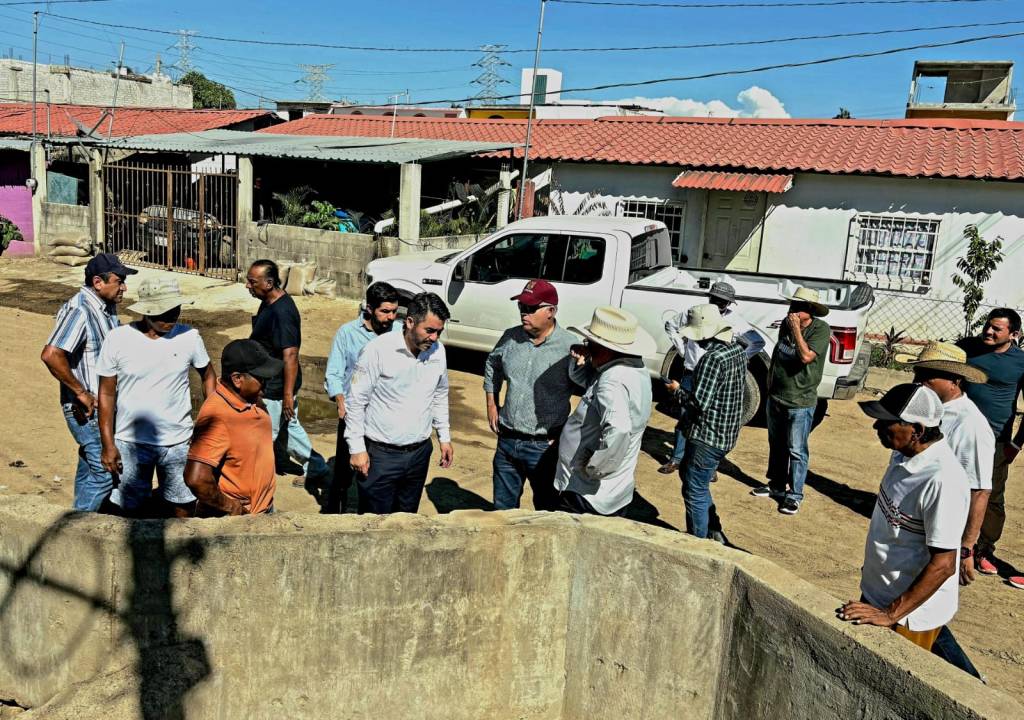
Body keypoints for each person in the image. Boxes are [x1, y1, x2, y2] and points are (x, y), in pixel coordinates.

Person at [838, 384, 970, 654]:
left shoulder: (943, 481)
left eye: (886, 422)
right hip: (879, 594)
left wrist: (891, 613)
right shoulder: (901, 454)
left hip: (908, 614)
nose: (876, 426)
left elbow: (944, 565)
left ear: (917, 431)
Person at [896, 341, 992, 680]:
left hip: (939, 533)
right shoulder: (923, 407)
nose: (920, 381)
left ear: (954, 381)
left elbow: (980, 490)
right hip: (912, 528)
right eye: (918, 373)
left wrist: (966, 548)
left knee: (920, 610)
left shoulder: (970, 425)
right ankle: (970, 683)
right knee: (921, 611)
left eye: (928, 375)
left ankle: (970, 684)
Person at [96, 277, 216, 516]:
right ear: (147, 311)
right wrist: (108, 444)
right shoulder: (118, 339)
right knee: (130, 508)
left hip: (179, 442)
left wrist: (209, 420)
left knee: (182, 505)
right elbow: (106, 394)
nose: (172, 318)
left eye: (175, 310)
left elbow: (209, 376)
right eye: (164, 313)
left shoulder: (190, 337)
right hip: (130, 442)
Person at [41, 254, 138, 512]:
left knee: (90, 467)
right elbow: (51, 354)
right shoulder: (80, 310)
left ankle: (80, 515)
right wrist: (81, 392)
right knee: (105, 473)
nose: (124, 288)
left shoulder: (105, 306)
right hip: (88, 409)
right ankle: (80, 528)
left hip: (101, 406)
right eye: (119, 281)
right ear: (98, 282)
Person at [345, 292, 454, 514]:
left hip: (419, 455)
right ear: (410, 322)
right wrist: (356, 448)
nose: (434, 338)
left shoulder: (438, 352)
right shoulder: (378, 350)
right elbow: (356, 401)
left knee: (406, 521)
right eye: (429, 330)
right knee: (375, 523)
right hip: (381, 457)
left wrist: (444, 437)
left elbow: (440, 393)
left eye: (439, 332)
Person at [484, 279, 578, 511]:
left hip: (544, 448)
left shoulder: (570, 348)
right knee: (502, 512)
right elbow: (492, 365)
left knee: (546, 512)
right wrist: (492, 404)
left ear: (551, 311)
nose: (523, 313)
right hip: (507, 442)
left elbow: (591, 394)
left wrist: (568, 435)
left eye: (530, 307)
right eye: (521, 306)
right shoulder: (510, 338)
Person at [554, 306, 654, 517]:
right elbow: (590, 385)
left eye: (590, 344)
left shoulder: (613, 380)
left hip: (588, 494)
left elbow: (619, 429)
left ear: (606, 348)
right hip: (613, 491)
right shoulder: (632, 369)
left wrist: (594, 469)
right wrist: (581, 361)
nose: (587, 348)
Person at [660, 282, 764, 474]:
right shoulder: (696, 313)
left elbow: (757, 342)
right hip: (692, 371)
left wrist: (740, 357)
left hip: (715, 375)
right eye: (715, 299)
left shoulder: (734, 320)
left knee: (709, 419)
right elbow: (671, 325)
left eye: (723, 301)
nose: (718, 303)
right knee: (685, 416)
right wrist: (683, 351)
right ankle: (677, 458)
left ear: (729, 303)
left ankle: (708, 464)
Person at [246, 259, 330, 486]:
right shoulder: (268, 302)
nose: (247, 286)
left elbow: (290, 355)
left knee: (266, 431)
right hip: (270, 379)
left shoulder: (283, 312)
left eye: (252, 282)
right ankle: (316, 467)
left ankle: (253, 480)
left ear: (269, 283)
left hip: (277, 384)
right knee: (288, 427)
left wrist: (287, 395)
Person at [666, 305, 746, 541]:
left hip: (707, 436)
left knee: (694, 489)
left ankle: (698, 542)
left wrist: (676, 390)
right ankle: (713, 529)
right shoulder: (736, 350)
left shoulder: (712, 359)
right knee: (693, 479)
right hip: (725, 433)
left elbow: (698, 403)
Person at [957, 308, 1024, 587]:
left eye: (997, 329)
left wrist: (1016, 443)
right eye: (988, 325)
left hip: (996, 440)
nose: (988, 331)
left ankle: (982, 550)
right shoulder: (966, 348)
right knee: (951, 486)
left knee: (991, 495)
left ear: (1014, 334)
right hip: (959, 433)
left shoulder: (1020, 362)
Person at [750, 286, 831, 515]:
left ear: (809, 310)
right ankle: (776, 485)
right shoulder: (786, 325)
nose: (792, 311)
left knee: (796, 449)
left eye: (797, 307)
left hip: (800, 401)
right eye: (791, 305)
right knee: (776, 444)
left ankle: (794, 495)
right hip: (777, 397)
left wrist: (796, 329)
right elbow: (779, 354)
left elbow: (806, 357)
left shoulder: (820, 329)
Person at [322, 282, 400, 513]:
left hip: (384, 418)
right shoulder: (347, 333)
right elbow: (334, 373)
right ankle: (334, 515)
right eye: (385, 311)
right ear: (369, 308)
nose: (390, 317)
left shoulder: (399, 333)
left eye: (394, 311)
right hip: (353, 414)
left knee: (376, 476)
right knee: (343, 475)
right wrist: (340, 400)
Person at [184, 340, 282, 516]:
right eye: (261, 378)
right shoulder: (217, 415)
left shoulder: (251, 397)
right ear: (237, 379)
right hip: (238, 519)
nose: (267, 382)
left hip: (264, 508)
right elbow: (196, 478)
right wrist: (231, 507)